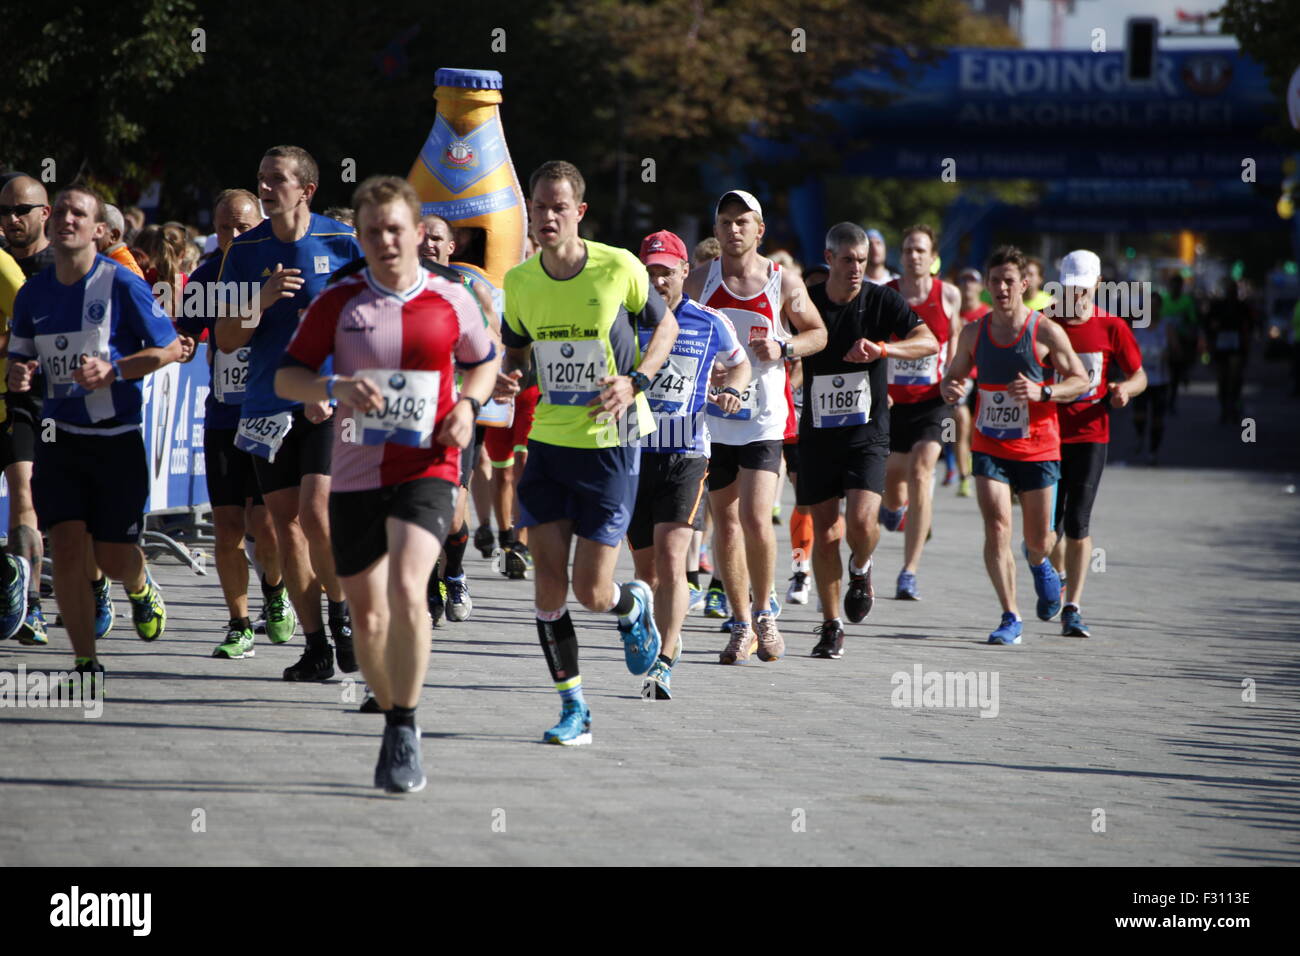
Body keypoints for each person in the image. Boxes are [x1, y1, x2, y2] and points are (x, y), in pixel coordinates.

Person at [277, 174, 498, 792]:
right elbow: (286, 378)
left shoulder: (452, 298)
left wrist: (469, 406)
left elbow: (484, 360)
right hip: (354, 470)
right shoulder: (339, 300)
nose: (384, 241)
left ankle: (404, 724)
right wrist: (333, 388)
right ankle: (387, 700)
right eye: (371, 231)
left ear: (418, 231)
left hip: (429, 464)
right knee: (368, 619)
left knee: (408, 585)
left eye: (395, 229)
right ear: (362, 236)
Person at [496, 160, 677, 745]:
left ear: (579, 212)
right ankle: (575, 709)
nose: (546, 217)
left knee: (592, 592)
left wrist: (637, 381)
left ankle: (630, 607)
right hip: (549, 440)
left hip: (610, 442)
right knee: (548, 585)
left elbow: (666, 326)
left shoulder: (617, 266)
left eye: (558, 207)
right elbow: (516, 355)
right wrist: (507, 379)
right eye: (538, 206)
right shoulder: (520, 282)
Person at [6, 185, 183, 686]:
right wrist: (21, 373)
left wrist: (116, 371)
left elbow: (169, 349)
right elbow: (21, 356)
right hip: (59, 437)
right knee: (65, 546)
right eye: (59, 210)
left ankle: (139, 581)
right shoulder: (33, 293)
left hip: (117, 436)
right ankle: (86, 662)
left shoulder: (123, 284)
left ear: (98, 229)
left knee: (110, 556)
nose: (66, 219)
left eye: (77, 213)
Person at [215, 145, 362, 682]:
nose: (266, 188)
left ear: (307, 189)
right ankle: (316, 644)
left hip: (326, 403)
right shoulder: (246, 249)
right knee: (284, 526)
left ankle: (342, 617)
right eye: (261, 179)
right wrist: (262, 297)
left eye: (277, 179)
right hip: (264, 403)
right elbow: (227, 339)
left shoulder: (341, 242)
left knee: (317, 512)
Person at [683, 189, 827, 665]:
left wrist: (784, 348)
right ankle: (741, 622)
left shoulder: (781, 283)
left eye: (743, 222)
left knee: (755, 516)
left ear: (759, 230)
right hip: (716, 418)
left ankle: (766, 614)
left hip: (765, 416)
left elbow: (819, 334)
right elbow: (678, 332)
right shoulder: (700, 279)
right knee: (723, 521)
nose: (733, 229)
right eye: (725, 221)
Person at [939, 245, 1088, 645]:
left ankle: (1040, 564)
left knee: (1039, 539)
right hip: (990, 445)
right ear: (987, 286)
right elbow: (952, 377)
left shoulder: (1045, 331)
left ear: (1024, 284)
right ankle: (1010, 615)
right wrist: (951, 388)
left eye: (1009, 281)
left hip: (1039, 447)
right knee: (997, 526)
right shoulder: (973, 332)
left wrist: (1044, 392)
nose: (1002, 288)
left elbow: (1079, 380)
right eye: (995, 281)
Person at [803, 224, 937, 657]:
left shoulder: (880, 299)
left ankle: (861, 568)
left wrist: (883, 350)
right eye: (848, 260)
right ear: (829, 258)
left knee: (861, 523)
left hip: (867, 432)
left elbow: (929, 342)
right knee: (825, 533)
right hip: (819, 432)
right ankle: (830, 624)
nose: (857, 268)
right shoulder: (808, 303)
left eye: (862, 260)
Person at [629, 229, 748, 698]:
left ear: (684, 272)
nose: (658, 281)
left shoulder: (709, 321)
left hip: (686, 455)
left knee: (673, 558)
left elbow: (738, 363)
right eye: (650, 271)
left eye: (666, 271)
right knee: (645, 572)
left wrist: (734, 391)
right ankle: (649, 632)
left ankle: (666, 656)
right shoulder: (625, 320)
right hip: (634, 454)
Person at [177, 188, 295, 659]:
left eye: (241, 226)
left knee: (266, 526)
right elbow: (183, 334)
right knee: (226, 527)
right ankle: (238, 624)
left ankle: (276, 590)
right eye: (224, 226)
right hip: (224, 415)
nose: (231, 234)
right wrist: (181, 345)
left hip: (268, 415)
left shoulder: (276, 269)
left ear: (260, 223)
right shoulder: (207, 277)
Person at [1044, 250, 1146, 638]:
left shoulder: (1112, 327)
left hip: (1090, 434)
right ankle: (1059, 577)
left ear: (1097, 285)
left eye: (1082, 290)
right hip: (1047, 437)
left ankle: (1073, 607)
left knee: (1077, 521)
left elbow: (1140, 375)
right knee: (1044, 532)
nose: (1075, 298)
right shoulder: (1045, 322)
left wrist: (1125, 391)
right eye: (1069, 290)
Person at [880, 225, 962, 601]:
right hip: (894, 403)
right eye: (909, 249)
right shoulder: (887, 294)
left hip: (934, 401)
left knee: (922, 467)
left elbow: (956, 341)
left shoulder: (948, 294)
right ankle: (894, 509)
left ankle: (909, 570)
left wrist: (956, 379)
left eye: (921, 250)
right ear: (902, 254)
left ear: (932, 256)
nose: (915, 255)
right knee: (894, 489)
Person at [953, 266, 991, 498]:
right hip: (962, 377)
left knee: (978, 430)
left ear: (980, 286)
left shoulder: (988, 313)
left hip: (985, 379)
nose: (968, 285)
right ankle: (963, 476)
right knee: (959, 425)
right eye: (963, 281)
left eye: (972, 281)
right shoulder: (953, 314)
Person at [1132, 294, 1176, 464]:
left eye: (1155, 305)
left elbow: (1176, 350)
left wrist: (1169, 353)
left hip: (1160, 380)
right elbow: (1127, 348)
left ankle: (1153, 451)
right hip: (1140, 379)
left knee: (1157, 419)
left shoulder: (1166, 327)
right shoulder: (1137, 327)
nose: (1152, 309)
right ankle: (1140, 435)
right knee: (1139, 416)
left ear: (1160, 307)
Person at [1204, 280, 1252, 424]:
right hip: (1221, 346)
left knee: (1235, 376)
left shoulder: (1242, 307)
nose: (1232, 293)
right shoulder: (1218, 306)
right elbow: (1208, 324)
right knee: (1222, 378)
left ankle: (1234, 404)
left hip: (1236, 346)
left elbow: (1249, 326)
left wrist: (1245, 341)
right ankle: (1225, 407)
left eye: (1233, 290)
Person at [0, 176, 53, 277]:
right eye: (5, 210)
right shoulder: (1, 263)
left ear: (44, 213)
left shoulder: (64, 265)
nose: (13, 219)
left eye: (22, 210)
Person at [1161, 274, 1197, 413]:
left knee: (1176, 370)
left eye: (1178, 286)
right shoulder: (1163, 300)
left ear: (1181, 287)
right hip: (1163, 340)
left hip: (1181, 340)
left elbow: (1193, 322)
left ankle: (1173, 397)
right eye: (1173, 285)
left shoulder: (1187, 302)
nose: (1175, 288)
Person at [97, 205, 145, 279]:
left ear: (113, 236)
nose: (88, 235)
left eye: (98, 230)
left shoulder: (128, 273)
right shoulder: (101, 262)